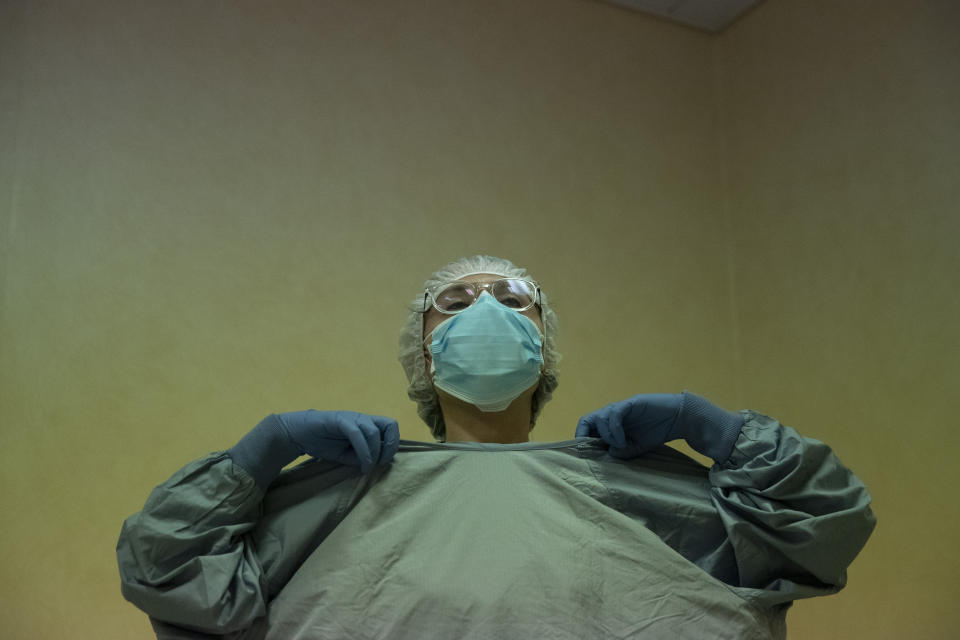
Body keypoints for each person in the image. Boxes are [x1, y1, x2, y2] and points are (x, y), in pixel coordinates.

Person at [117, 255, 876, 639]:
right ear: (421, 345)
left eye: (516, 301)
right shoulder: (339, 497)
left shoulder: (646, 492)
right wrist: (261, 453)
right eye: (455, 300)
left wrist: (707, 425)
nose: (486, 309)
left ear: (544, 346)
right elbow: (169, 567)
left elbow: (828, 523)